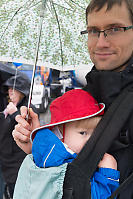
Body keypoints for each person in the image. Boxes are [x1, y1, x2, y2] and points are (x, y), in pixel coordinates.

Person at [12, 0, 133, 198]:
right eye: (93, 31)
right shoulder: (91, 92)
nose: (101, 42)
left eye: (115, 29)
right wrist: (39, 145)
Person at [13, 89, 119, 199]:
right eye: (83, 133)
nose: (91, 140)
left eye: (95, 134)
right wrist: (108, 174)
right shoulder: (64, 162)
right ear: (59, 132)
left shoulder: (47, 153)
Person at [0, 75, 39, 199]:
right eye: (9, 88)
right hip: (5, 163)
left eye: (14, 88)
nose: (10, 91)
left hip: (17, 165)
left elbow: (28, 131)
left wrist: (14, 114)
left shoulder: (28, 109)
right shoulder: (7, 108)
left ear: (22, 92)